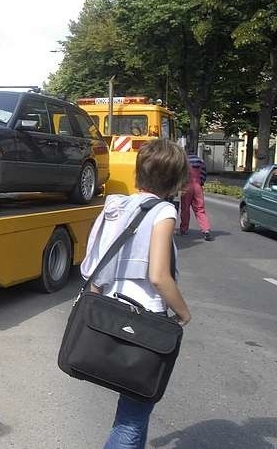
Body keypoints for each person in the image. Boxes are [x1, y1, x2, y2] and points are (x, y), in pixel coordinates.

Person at [81, 139, 192, 449]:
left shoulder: (115, 206)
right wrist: (184, 312)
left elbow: (95, 271)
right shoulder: (164, 212)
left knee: (134, 407)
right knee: (133, 416)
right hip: (145, 321)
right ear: (174, 181)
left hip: (112, 312)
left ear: (138, 172)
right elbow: (158, 275)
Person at [179, 150, 213, 241]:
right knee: (200, 209)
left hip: (186, 186)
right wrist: (200, 183)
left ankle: (184, 229)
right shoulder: (200, 161)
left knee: (185, 209)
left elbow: (180, 174)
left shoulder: (183, 161)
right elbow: (204, 174)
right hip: (197, 186)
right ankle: (206, 230)